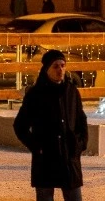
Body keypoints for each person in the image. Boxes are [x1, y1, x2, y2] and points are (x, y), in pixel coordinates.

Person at [13, 49, 88, 201]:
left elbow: (81, 120)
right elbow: (20, 125)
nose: (60, 70)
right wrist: (37, 146)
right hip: (46, 159)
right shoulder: (35, 94)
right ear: (47, 69)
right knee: (45, 196)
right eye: (55, 66)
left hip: (69, 157)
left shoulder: (72, 91)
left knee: (74, 196)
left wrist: (80, 144)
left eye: (62, 65)